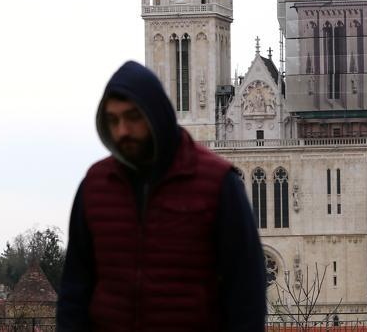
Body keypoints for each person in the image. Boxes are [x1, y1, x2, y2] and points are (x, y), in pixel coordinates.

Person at [56, 61, 266, 331]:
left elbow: (246, 288)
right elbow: (75, 286)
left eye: (132, 117)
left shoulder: (218, 182)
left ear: (156, 115)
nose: (122, 131)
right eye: (113, 120)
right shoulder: (95, 185)